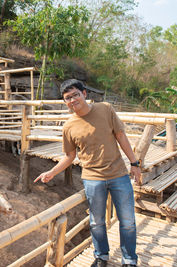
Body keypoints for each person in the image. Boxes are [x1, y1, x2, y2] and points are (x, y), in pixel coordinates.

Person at [34, 79, 141, 267]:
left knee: (127, 221)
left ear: (84, 94)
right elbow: (69, 156)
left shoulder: (106, 109)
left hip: (118, 174)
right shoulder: (69, 126)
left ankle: (129, 259)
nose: (72, 100)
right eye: (68, 98)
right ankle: (101, 256)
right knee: (96, 222)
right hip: (92, 179)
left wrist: (134, 163)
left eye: (75, 94)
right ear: (65, 102)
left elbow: (121, 136)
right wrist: (52, 171)